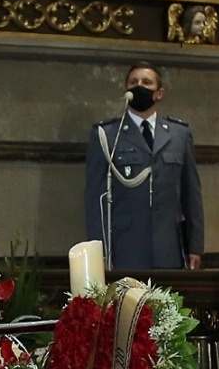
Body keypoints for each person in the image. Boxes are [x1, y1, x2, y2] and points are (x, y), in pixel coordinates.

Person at [84, 62, 204, 271]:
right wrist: (99, 252)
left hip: (169, 249)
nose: (139, 86)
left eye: (146, 82)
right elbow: (96, 200)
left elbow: (191, 194)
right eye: (133, 82)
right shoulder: (107, 135)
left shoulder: (178, 134)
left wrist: (195, 246)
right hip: (125, 248)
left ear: (159, 93)